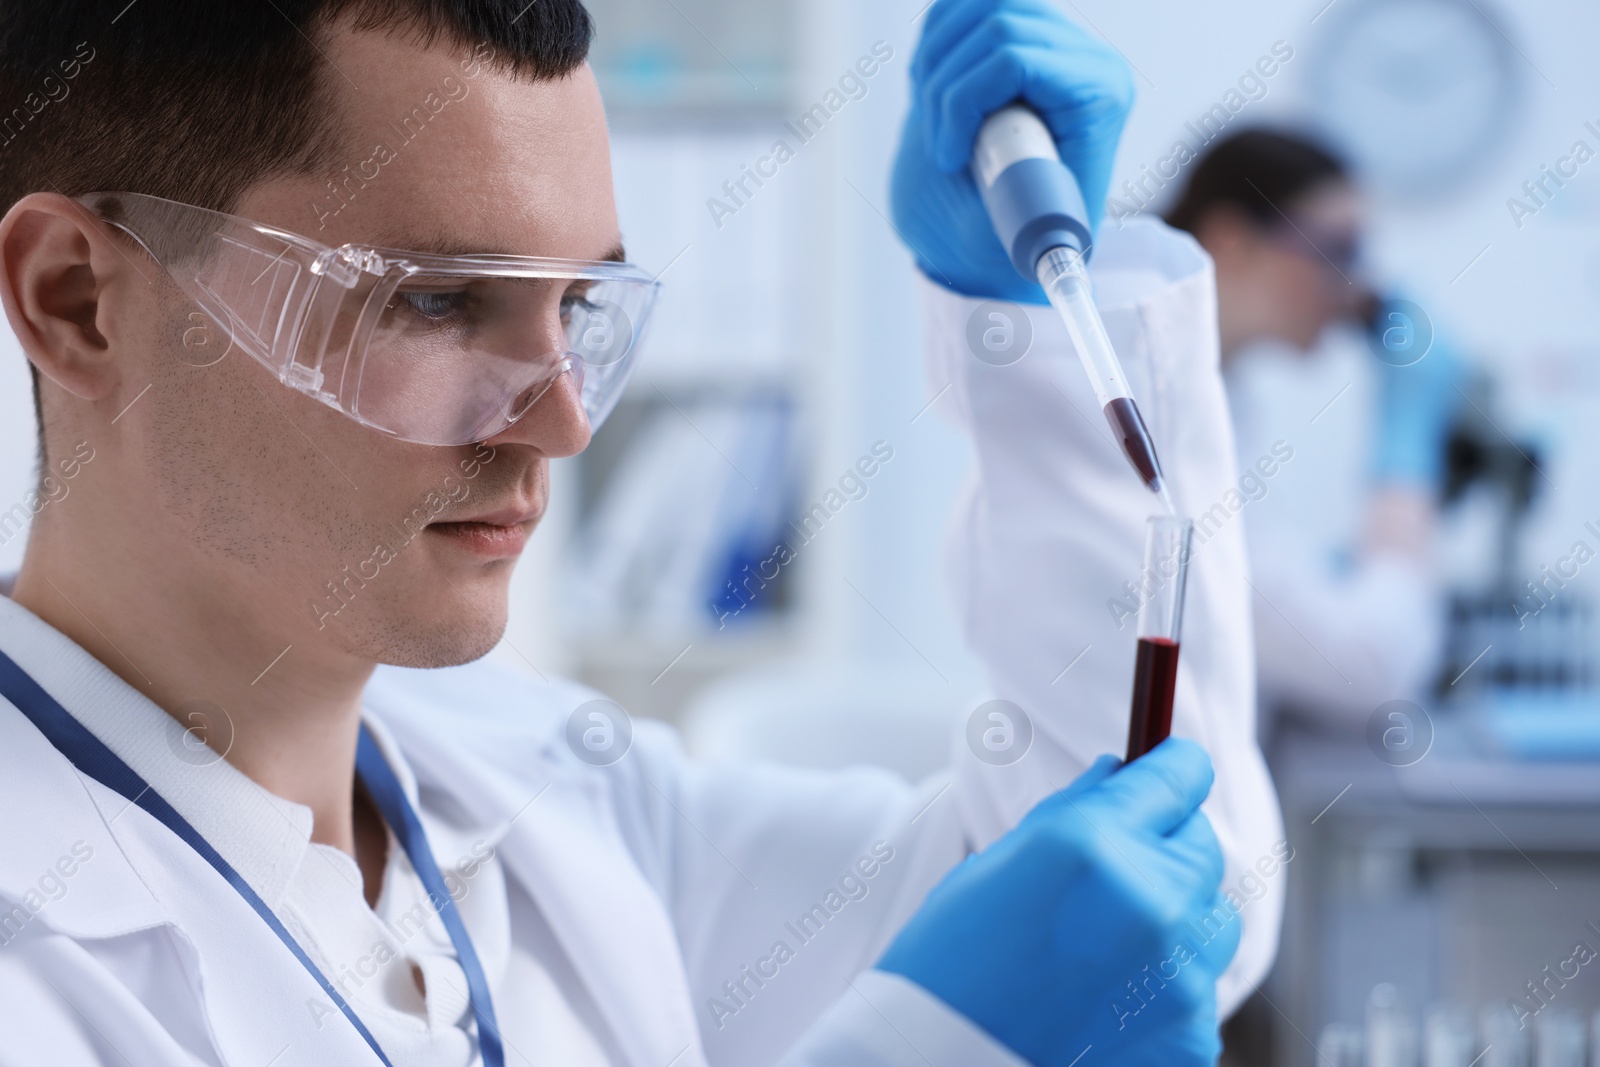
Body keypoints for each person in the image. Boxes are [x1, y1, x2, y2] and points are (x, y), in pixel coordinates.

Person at [0, 2, 1280, 1065]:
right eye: (439, 300)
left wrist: (1027, 319)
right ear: (79, 301)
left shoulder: (559, 800)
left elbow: (1142, 904)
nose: (561, 424)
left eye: (577, 305)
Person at [1162, 130, 1461, 728]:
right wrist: (1405, 456)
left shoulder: (1218, 402)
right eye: (1336, 251)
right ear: (1232, 241)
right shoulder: (1165, 419)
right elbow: (1369, 667)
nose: (1356, 290)